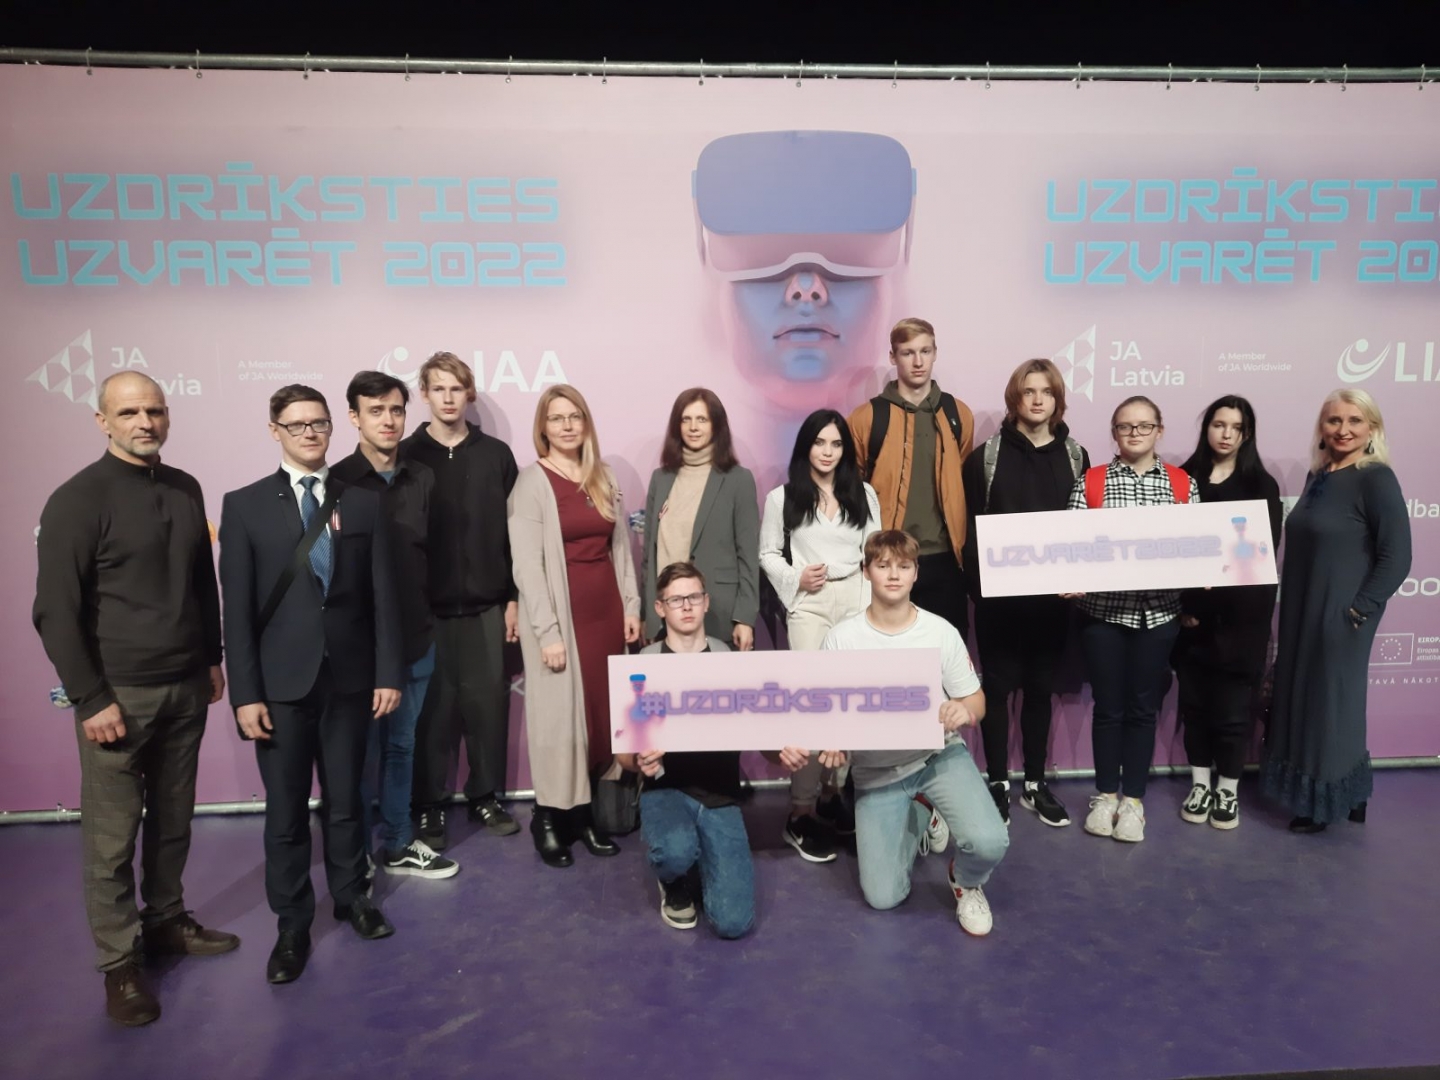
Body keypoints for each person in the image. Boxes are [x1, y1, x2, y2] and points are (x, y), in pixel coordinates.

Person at [33, 371, 237, 1027]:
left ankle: (166, 921)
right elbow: (55, 612)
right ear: (103, 421)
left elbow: (201, 584)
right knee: (112, 840)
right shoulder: (77, 500)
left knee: (174, 822)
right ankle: (119, 965)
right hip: (117, 697)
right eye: (128, 413)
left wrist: (212, 657)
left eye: (154, 411)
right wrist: (91, 699)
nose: (145, 422)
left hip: (186, 687)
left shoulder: (185, 488)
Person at [220, 384, 403, 985]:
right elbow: (236, 612)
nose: (309, 433)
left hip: (349, 680)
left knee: (348, 801)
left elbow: (383, 596)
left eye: (318, 423)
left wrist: (387, 672)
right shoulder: (244, 505)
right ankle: (293, 924)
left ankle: (352, 897)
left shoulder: (364, 502)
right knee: (286, 812)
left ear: (332, 427)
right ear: (274, 429)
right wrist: (246, 694)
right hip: (279, 687)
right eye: (297, 424)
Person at [790, 530, 1008, 937]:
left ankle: (966, 882)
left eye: (903, 566)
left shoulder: (939, 631)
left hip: (937, 757)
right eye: (883, 566)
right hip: (876, 772)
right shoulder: (841, 639)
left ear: (915, 573)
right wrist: (832, 739)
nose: (894, 575)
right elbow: (826, 709)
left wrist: (964, 710)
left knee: (990, 841)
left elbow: (976, 700)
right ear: (866, 571)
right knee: (883, 897)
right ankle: (922, 812)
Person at [1262, 389, 1411, 833]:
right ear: (1321, 428)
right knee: (1316, 702)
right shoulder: (1319, 475)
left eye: (1355, 420)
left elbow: (1397, 557)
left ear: (1372, 428)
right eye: (1334, 421)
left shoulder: (1376, 479)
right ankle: (1354, 795)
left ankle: (1321, 805)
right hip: (1303, 610)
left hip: (1343, 613)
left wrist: (1359, 611)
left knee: (1329, 706)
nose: (1343, 430)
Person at [331, 371, 457, 878]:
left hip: (416, 638)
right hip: (358, 648)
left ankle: (400, 842)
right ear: (354, 417)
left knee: (402, 746)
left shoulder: (423, 477)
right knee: (360, 754)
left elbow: (436, 557)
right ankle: (357, 851)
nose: (388, 420)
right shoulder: (335, 482)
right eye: (376, 410)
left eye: (397, 410)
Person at [509, 384, 641, 868]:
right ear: (543, 428)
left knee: (599, 718)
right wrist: (548, 633)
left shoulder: (602, 476)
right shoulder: (531, 483)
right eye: (556, 418)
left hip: (605, 615)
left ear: (586, 423)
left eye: (574, 416)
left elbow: (620, 548)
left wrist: (631, 607)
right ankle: (548, 818)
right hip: (561, 620)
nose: (566, 425)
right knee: (559, 721)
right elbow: (527, 566)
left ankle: (583, 816)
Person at [961, 358, 1089, 827]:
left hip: (1053, 604)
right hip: (998, 604)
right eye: (1029, 391)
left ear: (1058, 400)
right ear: (1014, 398)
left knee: (1039, 691)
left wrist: (1079, 578)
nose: (1037, 400)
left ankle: (1035, 783)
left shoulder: (1076, 455)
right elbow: (971, 527)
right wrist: (980, 589)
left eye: (1047, 392)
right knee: (995, 690)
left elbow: (1083, 529)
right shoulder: (986, 457)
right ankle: (997, 782)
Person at [401, 352, 521, 851]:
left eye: (457, 389)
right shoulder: (405, 456)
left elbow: (516, 535)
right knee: (429, 715)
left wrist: (513, 597)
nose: (448, 398)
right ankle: (427, 803)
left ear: (468, 394)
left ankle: (485, 796)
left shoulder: (496, 455)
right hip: (425, 613)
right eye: (439, 388)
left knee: (488, 711)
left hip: (487, 608)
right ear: (424, 394)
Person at [1066, 395, 1199, 844]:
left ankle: (1134, 802)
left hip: (1158, 616)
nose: (1135, 433)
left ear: (1159, 430)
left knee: (1144, 710)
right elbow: (1073, 543)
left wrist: (1207, 570)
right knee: (1108, 708)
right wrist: (1070, 576)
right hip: (1103, 615)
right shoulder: (1092, 482)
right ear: (1115, 433)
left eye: (1144, 426)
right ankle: (1105, 796)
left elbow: (1195, 543)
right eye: (1125, 427)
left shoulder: (1182, 484)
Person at [759, 408, 882, 863]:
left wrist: (871, 605)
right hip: (809, 602)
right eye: (819, 443)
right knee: (810, 705)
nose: (827, 452)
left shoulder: (863, 493)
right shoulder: (782, 497)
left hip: (855, 599)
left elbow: (876, 549)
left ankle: (833, 795)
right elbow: (767, 553)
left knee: (848, 701)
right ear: (805, 447)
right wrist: (797, 578)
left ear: (845, 450)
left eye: (836, 444)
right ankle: (801, 811)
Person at [618, 562, 755, 939]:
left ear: (706, 602)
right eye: (676, 600)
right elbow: (623, 756)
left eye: (694, 597)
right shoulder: (642, 665)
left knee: (733, 923)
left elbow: (761, 733)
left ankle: (701, 860)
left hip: (720, 794)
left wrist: (786, 749)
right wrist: (640, 760)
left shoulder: (730, 661)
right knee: (675, 851)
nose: (687, 606)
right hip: (666, 789)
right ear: (660, 608)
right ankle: (673, 877)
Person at [1173, 396, 1282, 830]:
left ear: (1246, 434)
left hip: (1241, 622)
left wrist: (1209, 604)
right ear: (1207, 428)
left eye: (1236, 427)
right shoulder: (1183, 479)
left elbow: (1257, 558)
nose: (1226, 434)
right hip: (1190, 620)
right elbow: (1173, 550)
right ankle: (1200, 785)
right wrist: (1189, 608)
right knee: (1195, 708)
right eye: (1219, 424)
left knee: (1233, 714)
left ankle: (1228, 791)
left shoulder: (1261, 485)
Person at [849, 317, 975, 642]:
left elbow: (962, 479)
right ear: (893, 357)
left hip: (946, 558)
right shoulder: (866, 418)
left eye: (925, 351)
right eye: (907, 353)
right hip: (887, 558)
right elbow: (851, 491)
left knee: (946, 653)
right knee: (885, 652)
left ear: (935, 353)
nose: (918, 361)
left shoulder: (958, 414)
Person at [640, 388, 759, 652]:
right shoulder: (661, 478)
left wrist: (745, 617)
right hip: (666, 617)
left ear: (716, 425)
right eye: (686, 419)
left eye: (702, 419)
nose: (693, 427)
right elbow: (649, 555)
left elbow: (749, 558)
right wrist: (648, 614)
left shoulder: (738, 479)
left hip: (721, 614)